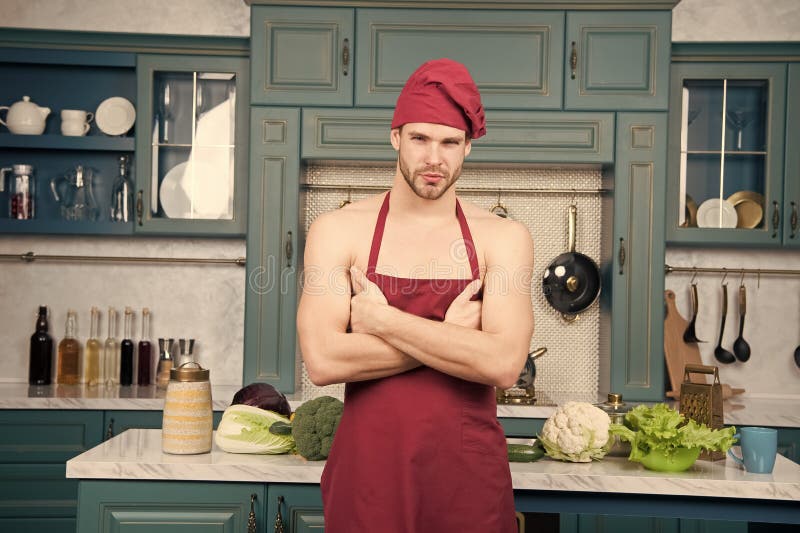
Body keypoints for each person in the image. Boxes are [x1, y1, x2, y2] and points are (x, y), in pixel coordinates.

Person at [297, 57, 535, 532]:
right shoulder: (338, 231)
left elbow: (504, 365)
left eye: (450, 142)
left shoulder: (503, 237)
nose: (434, 158)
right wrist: (453, 339)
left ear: (467, 147)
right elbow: (323, 361)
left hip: (467, 476)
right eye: (420, 139)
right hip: (369, 470)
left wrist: (385, 322)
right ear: (395, 138)